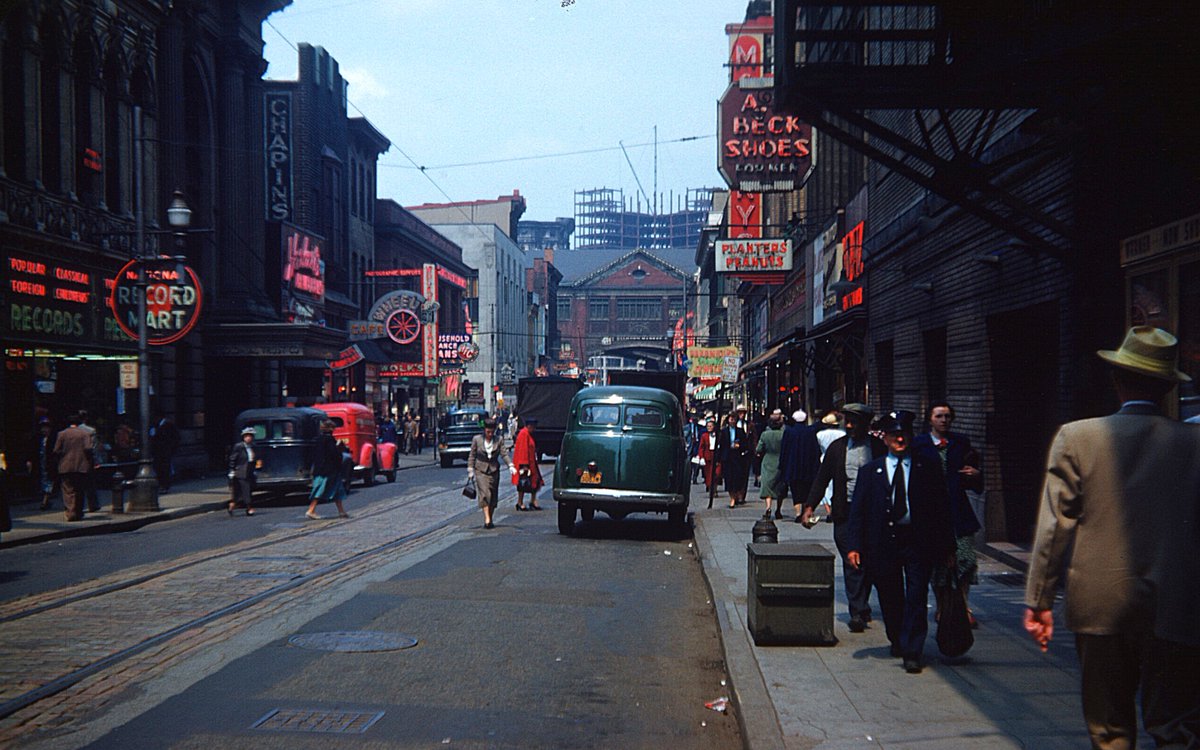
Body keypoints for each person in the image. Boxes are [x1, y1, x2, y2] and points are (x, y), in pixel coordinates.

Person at [1024, 326, 1200, 749]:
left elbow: (1054, 528)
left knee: (1109, 729)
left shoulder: (1077, 437)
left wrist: (1039, 601)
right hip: (1178, 604)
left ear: (1117, 379)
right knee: (1176, 727)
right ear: (1166, 388)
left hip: (1100, 601)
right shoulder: (1194, 443)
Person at [845, 409, 955, 674]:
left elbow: (941, 509)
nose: (900, 440)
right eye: (894, 435)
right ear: (885, 439)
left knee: (916, 595)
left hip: (918, 541)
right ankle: (897, 637)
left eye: (904, 434)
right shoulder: (871, 471)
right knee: (890, 596)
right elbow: (858, 511)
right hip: (884, 543)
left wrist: (948, 547)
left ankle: (912, 650)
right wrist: (853, 546)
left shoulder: (926, 468)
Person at [802, 403, 886, 633]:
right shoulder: (837, 449)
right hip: (845, 512)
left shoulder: (878, 448)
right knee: (852, 561)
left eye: (854, 421)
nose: (849, 425)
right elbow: (822, 478)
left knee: (868, 561)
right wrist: (809, 506)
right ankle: (857, 610)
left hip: (873, 514)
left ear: (866, 424)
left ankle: (862, 603)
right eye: (846, 421)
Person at [912, 402, 983, 628]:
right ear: (930, 419)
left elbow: (973, 473)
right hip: (932, 514)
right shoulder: (919, 445)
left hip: (957, 511)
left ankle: (963, 606)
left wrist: (975, 474)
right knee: (939, 564)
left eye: (947, 416)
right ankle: (943, 606)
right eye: (939, 416)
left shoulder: (960, 443)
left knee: (965, 560)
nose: (944, 420)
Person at [467, 418, 516, 529]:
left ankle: (490, 516)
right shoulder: (477, 439)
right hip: (480, 470)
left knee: (493, 496)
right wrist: (470, 469)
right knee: (485, 494)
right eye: (488, 432)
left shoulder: (498, 440)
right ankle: (487, 519)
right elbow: (472, 455)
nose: (490, 434)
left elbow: (504, 454)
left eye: (492, 432)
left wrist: (511, 465)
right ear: (484, 430)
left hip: (494, 470)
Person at [778, 409, 822, 521]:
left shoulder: (789, 432)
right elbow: (815, 449)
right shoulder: (810, 432)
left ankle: (798, 513)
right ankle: (804, 511)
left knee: (795, 489)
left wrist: (782, 465)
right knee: (807, 488)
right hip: (808, 465)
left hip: (793, 465)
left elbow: (784, 450)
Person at [52, 413, 93, 522]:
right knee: (79, 490)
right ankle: (78, 512)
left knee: (68, 490)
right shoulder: (85, 434)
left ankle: (71, 512)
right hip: (81, 466)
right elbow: (88, 448)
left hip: (66, 466)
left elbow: (56, 450)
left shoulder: (62, 434)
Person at [306, 420, 349, 520]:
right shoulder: (329, 440)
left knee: (338, 490)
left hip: (322, 468)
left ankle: (341, 511)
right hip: (328, 469)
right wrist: (339, 448)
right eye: (333, 428)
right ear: (330, 429)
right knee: (320, 488)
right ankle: (311, 510)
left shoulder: (318, 439)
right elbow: (333, 454)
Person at [717, 409, 752, 508]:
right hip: (727, 457)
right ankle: (732, 498)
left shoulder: (740, 431)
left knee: (737, 478)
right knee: (729, 478)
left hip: (737, 457)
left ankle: (736, 495)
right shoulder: (723, 432)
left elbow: (745, 444)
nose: (732, 421)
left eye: (734, 419)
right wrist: (719, 459)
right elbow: (721, 445)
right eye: (731, 419)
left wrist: (740, 446)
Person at [755, 410, 786, 518]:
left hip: (768, 461)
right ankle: (778, 510)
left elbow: (758, 449)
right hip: (781, 461)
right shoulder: (784, 434)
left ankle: (768, 507)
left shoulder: (765, 435)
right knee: (780, 486)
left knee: (767, 485)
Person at [511, 417, 544, 511]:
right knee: (523, 483)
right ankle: (520, 502)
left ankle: (533, 501)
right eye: (534, 427)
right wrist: (524, 465)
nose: (534, 429)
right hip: (526, 464)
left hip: (531, 462)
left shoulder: (527, 434)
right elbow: (523, 450)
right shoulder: (524, 434)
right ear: (529, 426)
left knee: (535, 482)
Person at [227, 426, 258, 516]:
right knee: (246, 490)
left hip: (250, 471)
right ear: (243, 437)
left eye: (251, 436)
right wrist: (232, 470)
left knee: (241, 491)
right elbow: (233, 459)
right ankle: (249, 508)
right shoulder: (239, 446)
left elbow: (254, 458)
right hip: (241, 472)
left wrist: (255, 469)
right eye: (247, 436)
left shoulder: (253, 446)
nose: (249, 438)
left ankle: (232, 504)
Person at [77, 410, 101, 512]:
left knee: (78, 485)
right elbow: (93, 447)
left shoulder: (69, 431)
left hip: (76, 460)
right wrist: (96, 461)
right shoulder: (90, 431)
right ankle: (93, 505)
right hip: (87, 459)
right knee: (90, 484)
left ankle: (79, 506)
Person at [150, 414, 180, 493]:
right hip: (158, 451)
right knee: (159, 468)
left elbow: (175, 437)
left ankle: (165, 486)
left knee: (165, 469)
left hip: (165, 451)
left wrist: (171, 448)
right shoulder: (156, 426)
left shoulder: (168, 425)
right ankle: (161, 485)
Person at [30, 418, 56, 510]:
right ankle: (46, 500)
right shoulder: (36, 438)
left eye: (46, 427)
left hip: (49, 464)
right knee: (42, 482)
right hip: (40, 463)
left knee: (49, 481)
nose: (44, 430)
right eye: (42, 428)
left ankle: (45, 502)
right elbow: (32, 451)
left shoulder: (53, 439)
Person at [698, 417, 720, 506]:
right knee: (709, 475)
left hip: (716, 455)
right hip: (708, 456)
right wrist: (701, 457)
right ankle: (712, 490)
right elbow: (701, 447)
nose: (709, 428)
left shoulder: (718, 435)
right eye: (708, 426)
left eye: (711, 426)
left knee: (717, 473)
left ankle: (715, 487)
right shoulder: (704, 436)